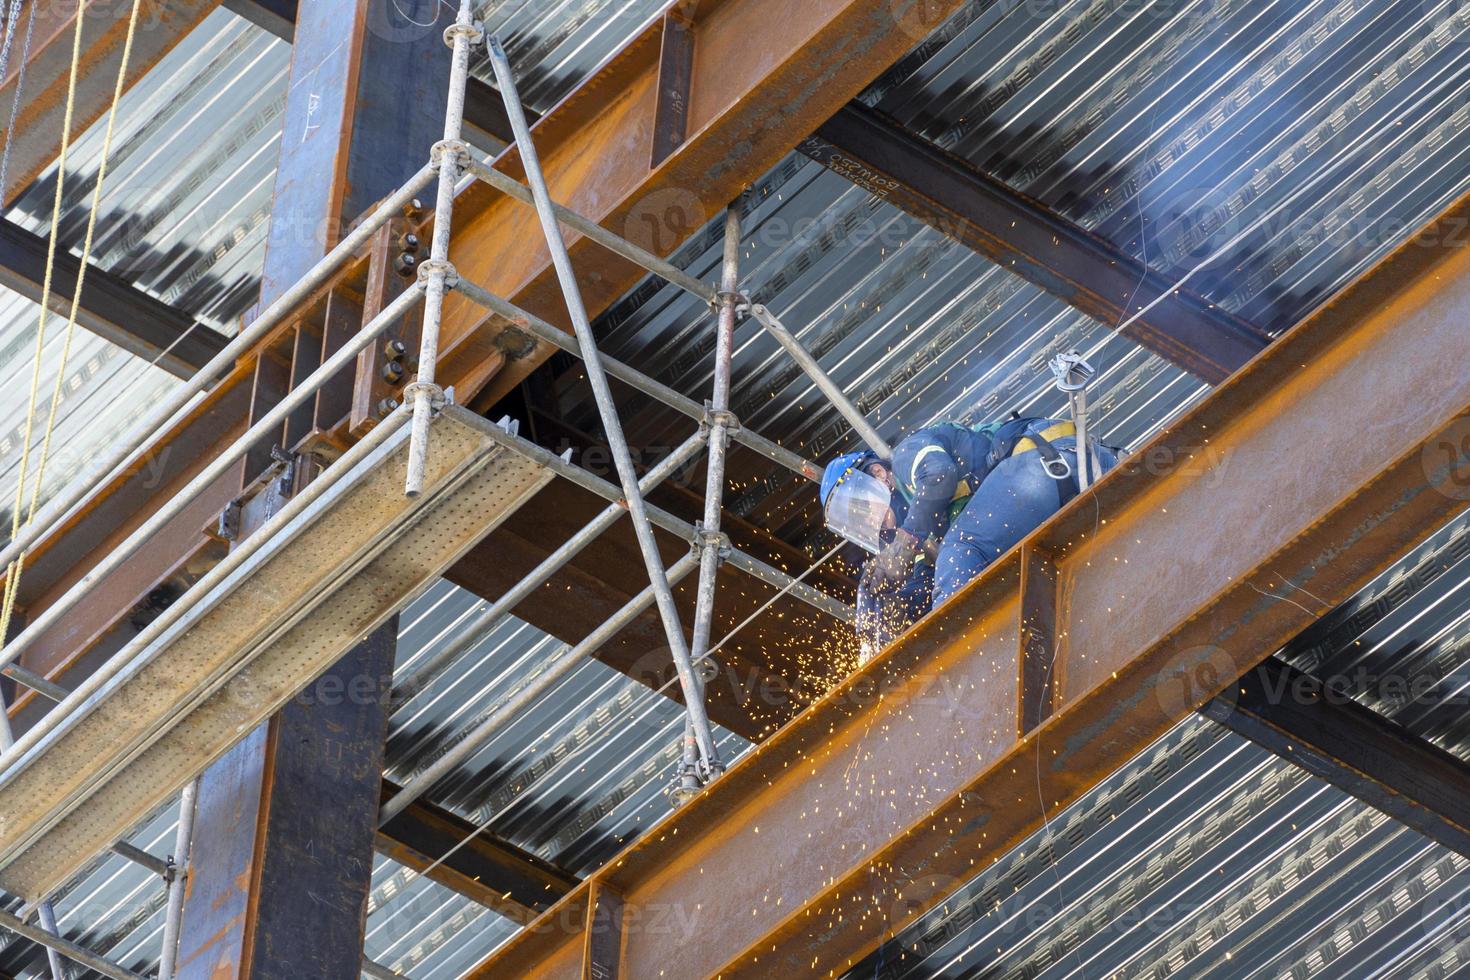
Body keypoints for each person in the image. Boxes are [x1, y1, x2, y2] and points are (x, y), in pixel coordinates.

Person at [821, 416, 1117, 631]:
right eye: (856, 520)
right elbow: (931, 582)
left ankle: (960, 654)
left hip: (1054, 462)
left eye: (861, 507)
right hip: (1067, 498)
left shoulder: (906, 458)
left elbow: (939, 475)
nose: (868, 520)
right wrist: (896, 608)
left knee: (960, 550)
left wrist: (905, 542)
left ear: (877, 473)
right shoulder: (927, 531)